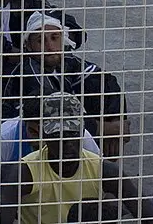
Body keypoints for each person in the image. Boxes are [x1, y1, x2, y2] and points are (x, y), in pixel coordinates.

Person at [7, 92, 104, 224]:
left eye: (72, 134)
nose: (66, 142)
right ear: (44, 134)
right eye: (57, 135)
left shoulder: (100, 168)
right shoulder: (25, 171)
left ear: (83, 132)